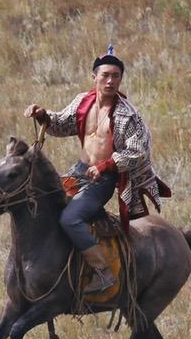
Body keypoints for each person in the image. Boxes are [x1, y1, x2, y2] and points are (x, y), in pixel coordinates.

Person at [24, 46, 169, 294]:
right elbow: (61, 124)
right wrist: (43, 115)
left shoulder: (128, 115)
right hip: (78, 171)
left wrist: (105, 166)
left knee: (71, 218)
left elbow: (137, 152)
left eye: (116, 76)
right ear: (95, 77)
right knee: (40, 204)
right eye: (105, 75)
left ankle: (103, 271)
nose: (111, 81)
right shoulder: (83, 102)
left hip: (102, 180)